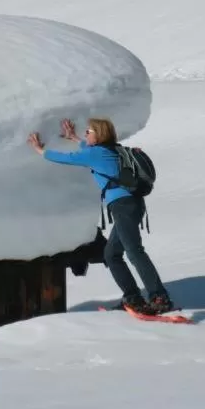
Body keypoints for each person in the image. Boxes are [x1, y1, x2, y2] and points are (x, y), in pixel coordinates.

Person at [27, 117, 173, 315]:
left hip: (124, 206)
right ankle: (133, 298)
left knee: (134, 251)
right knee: (111, 254)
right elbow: (88, 149)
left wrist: (40, 150)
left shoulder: (97, 153)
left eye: (89, 132)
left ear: (99, 134)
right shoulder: (110, 150)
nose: (86, 135)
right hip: (131, 205)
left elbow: (67, 158)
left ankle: (159, 297)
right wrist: (74, 137)